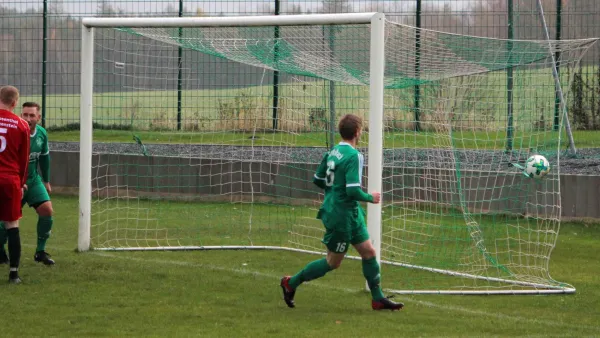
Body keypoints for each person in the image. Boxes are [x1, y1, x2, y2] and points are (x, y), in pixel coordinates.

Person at [280, 114, 404, 311]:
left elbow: (318, 179)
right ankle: (290, 283)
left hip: (349, 212)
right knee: (332, 262)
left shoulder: (334, 151)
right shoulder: (354, 156)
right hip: (340, 215)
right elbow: (352, 191)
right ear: (357, 132)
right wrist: (371, 197)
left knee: (369, 252)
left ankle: (377, 298)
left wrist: (333, 190)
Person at [0, 102, 55, 265]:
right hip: (16, 181)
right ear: (20, 114)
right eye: (25, 114)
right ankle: (0, 250)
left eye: (32, 115)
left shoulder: (42, 134)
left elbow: (44, 158)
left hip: (33, 179)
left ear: (39, 117)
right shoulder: (16, 130)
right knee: (6, 221)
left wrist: (46, 181)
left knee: (47, 210)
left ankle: (40, 251)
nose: (28, 118)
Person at [0, 86, 30, 284]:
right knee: (12, 225)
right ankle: (13, 274)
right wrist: (22, 183)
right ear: (15, 102)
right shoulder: (21, 125)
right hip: (10, 179)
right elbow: (24, 159)